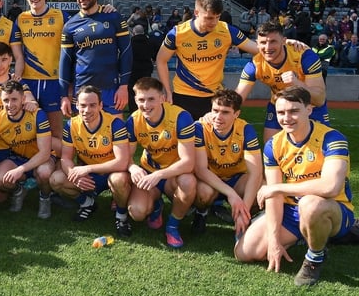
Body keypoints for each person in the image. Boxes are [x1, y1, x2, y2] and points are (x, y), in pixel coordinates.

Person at [234, 87, 354, 286]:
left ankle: (314, 258)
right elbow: (274, 196)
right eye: (281, 113)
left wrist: (279, 188)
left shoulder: (332, 139)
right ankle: (305, 235)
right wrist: (273, 240)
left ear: (309, 109)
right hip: (292, 209)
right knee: (245, 253)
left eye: (294, 111)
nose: (286, 118)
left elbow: (331, 187)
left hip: (333, 208)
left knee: (310, 204)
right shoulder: (274, 145)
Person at [156, 0, 303, 120]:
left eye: (217, 17)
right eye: (208, 18)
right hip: (183, 96)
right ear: (196, 13)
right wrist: (167, 91)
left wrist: (282, 42)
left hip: (213, 98)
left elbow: (258, 49)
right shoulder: (178, 33)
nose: (213, 22)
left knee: (210, 147)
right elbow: (161, 60)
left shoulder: (226, 30)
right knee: (183, 146)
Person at [49, 85, 132, 234]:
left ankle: (121, 215)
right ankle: (88, 203)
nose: (87, 110)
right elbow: (66, 159)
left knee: (119, 180)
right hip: (89, 176)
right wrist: (73, 175)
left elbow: (122, 162)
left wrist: (88, 168)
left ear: (101, 105)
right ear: (77, 105)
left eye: (92, 105)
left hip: (111, 173)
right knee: (56, 179)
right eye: (83, 105)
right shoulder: (71, 125)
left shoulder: (115, 124)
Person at [125, 77, 196, 248]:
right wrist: (132, 166)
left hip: (174, 174)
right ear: (135, 100)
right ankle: (157, 205)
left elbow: (188, 163)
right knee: (137, 212)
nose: (146, 105)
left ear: (162, 99)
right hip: (149, 171)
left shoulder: (181, 117)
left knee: (188, 181)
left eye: (151, 99)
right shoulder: (134, 120)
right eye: (141, 100)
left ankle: (172, 226)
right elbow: (126, 157)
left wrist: (159, 174)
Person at [236, 21, 328, 142]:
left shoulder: (305, 56)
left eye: (273, 41)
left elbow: (319, 99)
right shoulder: (254, 65)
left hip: (309, 106)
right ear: (257, 44)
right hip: (278, 105)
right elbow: (237, 98)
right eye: (263, 42)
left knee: (315, 151)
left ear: (284, 41)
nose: (268, 48)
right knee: (271, 147)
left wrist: (297, 83)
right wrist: (216, 112)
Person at [191, 89, 261, 236]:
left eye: (225, 112)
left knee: (262, 188)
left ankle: (248, 218)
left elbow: (256, 173)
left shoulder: (246, 129)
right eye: (215, 110)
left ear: (236, 114)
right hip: (211, 179)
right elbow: (201, 170)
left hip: (236, 179)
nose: (218, 117)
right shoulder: (200, 127)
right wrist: (231, 194)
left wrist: (244, 210)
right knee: (203, 192)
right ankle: (201, 212)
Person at [60, 0, 131, 117]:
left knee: (115, 135)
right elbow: (65, 61)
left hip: (110, 88)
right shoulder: (69, 26)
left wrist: (124, 86)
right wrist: (63, 96)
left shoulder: (114, 17)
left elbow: (126, 52)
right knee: (83, 137)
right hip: (82, 90)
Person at [0, 80, 54, 218]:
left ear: (23, 99)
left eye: (14, 99)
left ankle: (45, 197)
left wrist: (20, 170)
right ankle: (19, 190)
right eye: (6, 100)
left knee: (44, 172)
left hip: (42, 158)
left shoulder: (37, 114)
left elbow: (45, 153)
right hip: (19, 158)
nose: (10, 105)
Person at [15, 0, 66, 140]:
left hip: (53, 80)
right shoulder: (21, 19)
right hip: (27, 81)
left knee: (56, 130)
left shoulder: (60, 16)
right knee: (28, 130)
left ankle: (59, 164)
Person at [127, 25, 154, 113]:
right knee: (145, 91)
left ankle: (133, 111)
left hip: (132, 71)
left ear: (133, 33)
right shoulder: (150, 42)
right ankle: (146, 109)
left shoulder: (129, 43)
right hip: (146, 71)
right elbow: (154, 56)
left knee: (132, 93)